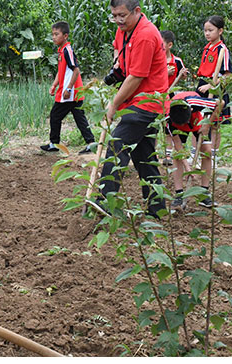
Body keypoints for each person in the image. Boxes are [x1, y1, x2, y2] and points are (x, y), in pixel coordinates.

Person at [86, 0, 168, 219]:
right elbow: (118, 51)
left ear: (137, 11)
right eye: (114, 15)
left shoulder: (146, 35)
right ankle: (157, 209)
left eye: (122, 15)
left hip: (148, 102)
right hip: (134, 101)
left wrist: (113, 105)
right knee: (144, 157)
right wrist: (116, 69)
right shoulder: (124, 30)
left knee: (117, 145)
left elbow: (137, 77)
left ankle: (105, 201)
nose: (118, 20)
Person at [40, 21, 95, 154]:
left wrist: (69, 88)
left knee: (55, 115)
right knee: (79, 117)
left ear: (65, 36)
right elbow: (61, 70)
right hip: (71, 92)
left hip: (70, 93)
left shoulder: (67, 50)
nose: (53, 37)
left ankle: (54, 143)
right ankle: (91, 143)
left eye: (56, 34)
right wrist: (54, 85)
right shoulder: (62, 51)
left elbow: (76, 70)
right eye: (52, 34)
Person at [167, 91, 220, 209]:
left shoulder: (194, 102)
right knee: (176, 156)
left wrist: (207, 125)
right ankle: (179, 194)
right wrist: (188, 168)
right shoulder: (168, 118)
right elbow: (177, 145)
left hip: (198, 122)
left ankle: (204, 192)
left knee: (207, 152)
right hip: (177, 128)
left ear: (190, 110)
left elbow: (220, 103)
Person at [196, 15, 232, 161]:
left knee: (215, 123)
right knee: (199, 119)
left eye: (210, 30)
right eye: (205, 30)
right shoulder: (207, 48)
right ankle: (196, 151)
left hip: (215, 89)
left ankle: (214, 154)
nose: (207, 33)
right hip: (202, 87)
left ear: (220, 31)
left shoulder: (222, 50)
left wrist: (212, 85)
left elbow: (228, 75)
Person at [160, 30, 188, 166]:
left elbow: (183, 74)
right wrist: (165, 73)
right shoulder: (156, 61)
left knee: (169, 124)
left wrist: (183, 75)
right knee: (159, 125)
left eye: (162, 44)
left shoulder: (177, 61)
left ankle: (169, 153)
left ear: (169, 45)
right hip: (158, 95)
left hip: (171, 96)